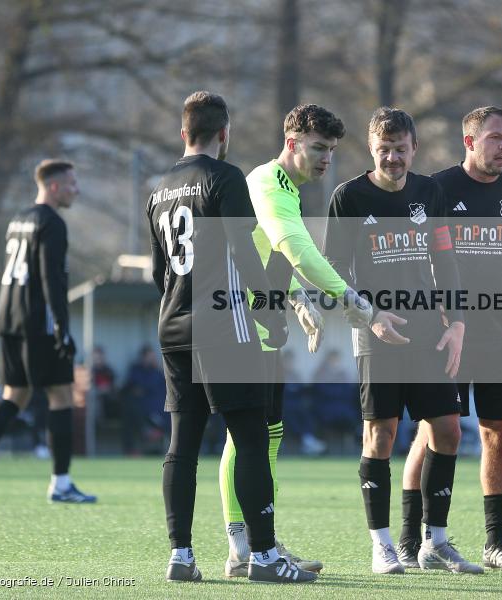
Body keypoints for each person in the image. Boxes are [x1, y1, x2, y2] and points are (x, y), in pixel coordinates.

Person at [147, 91, 315, 584]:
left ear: (184, 133)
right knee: (251, 437)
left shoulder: (158, 188)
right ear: (225, 133)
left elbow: (160, 272)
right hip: (225, 326)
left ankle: (181, 556)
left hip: (173, 327)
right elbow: (244, 250)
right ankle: (263, 557)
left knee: (182, 446)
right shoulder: (225, 178)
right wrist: (271, 312)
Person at [397, 106, 502, 571]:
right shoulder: (437, 188)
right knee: (433, 431)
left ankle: (496, 542)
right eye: (495, 138)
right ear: (469, 142)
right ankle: (412, 537)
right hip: (447, 330)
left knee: (500, 435)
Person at [325, 107, 481, 575]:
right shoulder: (348, 197)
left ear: (414, 148)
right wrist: (368, 317)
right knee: (381, 435)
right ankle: (382, 545)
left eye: (400, 149)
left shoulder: (428, 192)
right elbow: (333, 271)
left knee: (448, 431)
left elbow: (446, 263)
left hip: (428, 332)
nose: (393, 158)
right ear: (371, 150)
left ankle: (435, 541)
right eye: (384, 150)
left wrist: (456, 324)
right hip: (377, 334)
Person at [219, 103, 372, 577]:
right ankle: (244, 545)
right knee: (248, 439)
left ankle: (258, 540)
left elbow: (266, 250)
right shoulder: (269, 183)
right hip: (241, 328)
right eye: (318, 147)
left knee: (267, 436)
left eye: (331, 150)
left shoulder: (286, 188)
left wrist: (297, 299)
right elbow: (294, 246)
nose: (327, 158)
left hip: (261, 329)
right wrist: (343, 294)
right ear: (292, 143)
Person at [0, 159, 96, 505]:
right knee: (61, 395)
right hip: (38, 323)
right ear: (53, 186)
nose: (76, 190)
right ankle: (61, 483)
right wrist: (62, 325)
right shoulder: (52, 223)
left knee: (13, 396)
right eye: (71, 183)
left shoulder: (18, 219)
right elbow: (51, 278)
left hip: (9, 321)